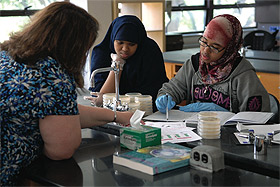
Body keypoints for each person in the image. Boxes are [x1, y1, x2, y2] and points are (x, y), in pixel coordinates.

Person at [0, 2, 133, 185]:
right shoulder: (52, 74)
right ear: (73, 45)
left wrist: (117, 116)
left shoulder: (8, 56)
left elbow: (63, 112)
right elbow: (62, 150)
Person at [156, 14, 270, 114]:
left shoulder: (243, 74)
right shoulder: (194, 64)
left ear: (230, 49)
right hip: (195, 131)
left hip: (230, 135)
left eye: (215, 47)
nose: (205, 50)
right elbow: (172, 89)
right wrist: (165, 96)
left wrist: (226, 115)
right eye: (204, 42)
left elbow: (257, 118)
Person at [90, 15, 169, 111]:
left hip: (146, 111)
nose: (125, 49)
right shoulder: (101, 53)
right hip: (110, 112)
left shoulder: (149, 51)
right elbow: (102, 98)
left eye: (131, 44)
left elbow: (153, 92)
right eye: (120, 42)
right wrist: (117, 65)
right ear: (113, 38)